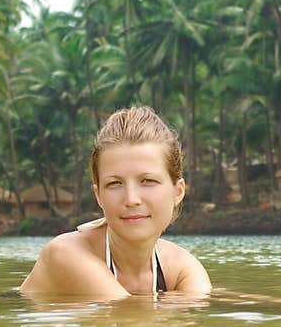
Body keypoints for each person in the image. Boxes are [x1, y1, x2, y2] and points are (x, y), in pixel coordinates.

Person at [20, 106, 212, 299]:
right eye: (115, 183)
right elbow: (128, 315)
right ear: (98, 195)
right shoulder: (65, 254)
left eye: (147, 181)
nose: (131, 199)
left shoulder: (181, 268)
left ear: (178, 192)